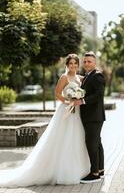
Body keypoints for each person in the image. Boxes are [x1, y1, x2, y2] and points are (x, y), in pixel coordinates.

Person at [0, 54, 90, 187]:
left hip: (76, 114)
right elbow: (57, 93)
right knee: (62, 139)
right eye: (70, 63)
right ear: (67, 65)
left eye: (75, 63)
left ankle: (78, 169)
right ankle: (58, 171)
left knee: (75, 139)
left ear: (78, 65)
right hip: (65, 111)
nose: (73, 66)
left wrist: (77, 99)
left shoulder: (80, 78)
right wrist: (68, 101)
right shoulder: (64, 77)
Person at [73, 51, 106, 183]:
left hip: (94, 116)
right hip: (92, 116)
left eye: (89, 61)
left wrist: (82, 101)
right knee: (97, 143)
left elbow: (99, 95)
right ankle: (101, 170)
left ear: (95, 63)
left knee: (91, 144)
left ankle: (94, 174)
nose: (86, 63)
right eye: (85, 61)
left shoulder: (97, 76)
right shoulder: (87, 76)